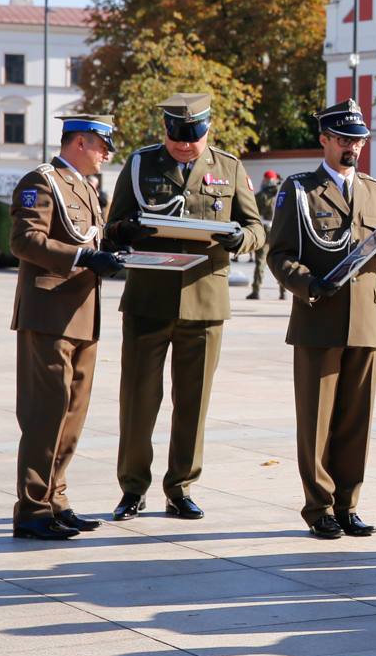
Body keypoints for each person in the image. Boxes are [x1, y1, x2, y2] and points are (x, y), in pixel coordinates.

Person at [104, 93, 266, 522]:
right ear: (166, 131)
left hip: (205, 299)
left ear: (207, 130)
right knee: (138, 399)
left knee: (193, 402)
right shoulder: (141, 165)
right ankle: (132, 488)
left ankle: (180, 488)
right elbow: (111, 230)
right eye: (176, 137)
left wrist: (241, 241)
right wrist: (128, 230)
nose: (184, 145)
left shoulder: (228, 167)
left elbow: (256, 229)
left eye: (192, 138)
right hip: (148, 299)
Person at [268, 100, 376, 538]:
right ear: (324, 139)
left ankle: (348, 504)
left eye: (359, 140)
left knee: (356, 419)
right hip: (319, 317)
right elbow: (279, 254)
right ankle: (320, 507)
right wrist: (308, 285)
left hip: (365, 320)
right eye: (345, 139)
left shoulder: (375, 190)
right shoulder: (299, 190)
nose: (353, 147)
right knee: (317, 420)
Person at [9, 115, 127, 538]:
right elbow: (23, 240)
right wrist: (82, 258)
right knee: (46, 413)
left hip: (81, 315)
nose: (107, 153)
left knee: (72, 416)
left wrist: (114, 248)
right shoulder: (42, 181)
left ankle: (55, 500)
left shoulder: (85, 187)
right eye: (102, 145)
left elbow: (90, 239)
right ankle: (32, 510)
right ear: (80, 141)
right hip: (48, 314)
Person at [249, 170, 284, 300]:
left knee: (260, 261)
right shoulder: (282, 195)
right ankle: (283, 291)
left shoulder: (259, 196)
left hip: (264, 230)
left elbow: (253, 213)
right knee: (280, 261)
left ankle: (256, 290)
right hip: (277, 230)